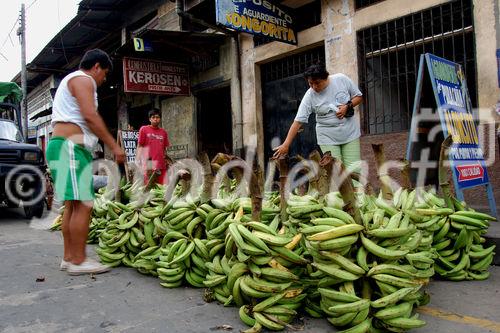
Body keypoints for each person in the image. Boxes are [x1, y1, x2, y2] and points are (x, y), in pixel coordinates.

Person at [46, 49, 126, 275]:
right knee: (84, 203)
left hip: (62, 147)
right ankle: (79, 261)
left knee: (72, 204)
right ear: (97, 66)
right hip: (70, 148)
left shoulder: (69, 81)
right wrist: (114, 145)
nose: (104, 80)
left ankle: (68, 257)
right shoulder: (83, 79)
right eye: (105, 74)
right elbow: (90, 115)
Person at [273, 63, 364, 178]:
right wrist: (286, 144)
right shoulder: (310, 96)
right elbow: (298, 121)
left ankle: (358, 195)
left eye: (317, 83)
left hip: (350, 132)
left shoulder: (341, 80)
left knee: (354, 168)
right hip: (327, 136)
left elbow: (359, 97)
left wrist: (348, 106)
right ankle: (340, 195)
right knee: (336, 170)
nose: (314, 87)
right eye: (310, 83)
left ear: (326, 78)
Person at [136, 109, 171, 185]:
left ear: (160, 119)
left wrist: (167, 161)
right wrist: (137, 161)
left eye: (157, 117)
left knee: (162, 189)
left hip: (161, 165)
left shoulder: (163, 132)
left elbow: (164, 149)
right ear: (149, 119)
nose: (155, 119)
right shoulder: (144, 129)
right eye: (153, 117)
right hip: (148, 165)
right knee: (149, 189)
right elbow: (140, 146)